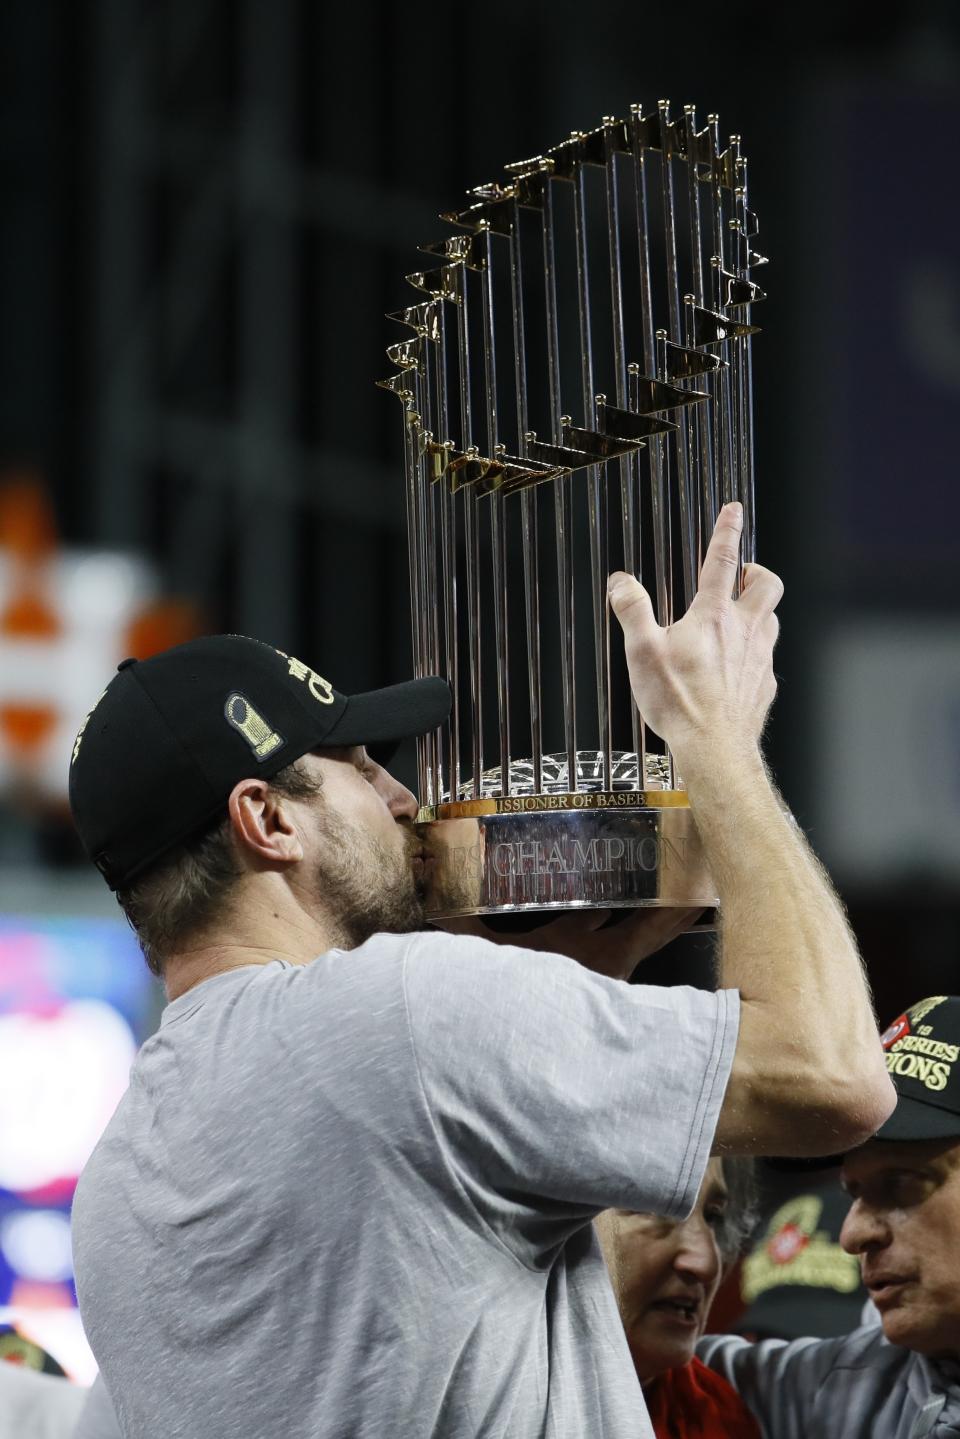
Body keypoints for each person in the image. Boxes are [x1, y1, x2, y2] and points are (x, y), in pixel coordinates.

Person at [67, 504, 893, 1439]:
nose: (403, 798)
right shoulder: (405, 1009)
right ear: (270, 820)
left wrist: (598, 966)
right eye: (359, 767)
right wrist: (718, 741)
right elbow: (832, 1077)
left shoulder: (117, 1183)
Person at [700, 993, 960, 1437]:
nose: (851, 1235)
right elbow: (647, 1363)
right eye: (853, 1193)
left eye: (898, 1184)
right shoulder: (840, 1388)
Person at [596, 1160, 762, 1438]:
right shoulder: (505, 1396)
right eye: (656, 1206)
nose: (706, 1262)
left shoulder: (719, 1415)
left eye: (713, 1216)